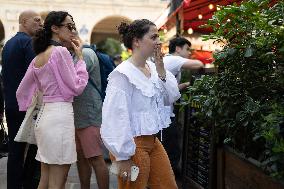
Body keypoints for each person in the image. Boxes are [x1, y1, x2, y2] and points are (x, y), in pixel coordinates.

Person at [101, 19, 181, 189]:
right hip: (132, 145)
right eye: (153, 37)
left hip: (153, 141)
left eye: (158, 37)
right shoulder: (122, 74)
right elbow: (114, 117)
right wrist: (122, 156)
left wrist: (161, 70)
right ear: (137, 41)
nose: (158, 42)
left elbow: (171, 98)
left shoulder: (153, 67)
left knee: (168, 185)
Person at [16, 11, 88, 189]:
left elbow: (22, 90)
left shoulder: (38, 56)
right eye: (69, 25)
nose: (73, 30)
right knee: (57, 181)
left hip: (45, 116)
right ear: (55, 28)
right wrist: (80, 60)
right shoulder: (60, 52)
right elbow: (76, 87)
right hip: (60, 117)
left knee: (45, 179)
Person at [1, 10, 43, 189]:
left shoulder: (9, 43)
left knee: (15, 151)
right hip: (25, 106)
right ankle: (26, 184)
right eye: (36, 20)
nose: (40, 24)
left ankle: (14, 185)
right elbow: (36, 74)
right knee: (31, 148)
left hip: (10, 104)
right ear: (24, 21)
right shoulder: (28, 43)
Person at [65, 35, 109, 189]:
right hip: (77, 115)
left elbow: (73, 79)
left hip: (89, 114)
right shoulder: (73, 54)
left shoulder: (87, 54)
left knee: (96, 158)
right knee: (82, 158)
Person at [162, 36, 204, 176]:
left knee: (166, 149)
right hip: (164, 115)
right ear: (178, 49)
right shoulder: (173, 59)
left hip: (161, 113)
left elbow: (170, 89)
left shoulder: (166, 60)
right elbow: (198, 64)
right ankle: (167, 181)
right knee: (172, 149)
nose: (189, 52)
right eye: (187, 49)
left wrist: (185, 85)